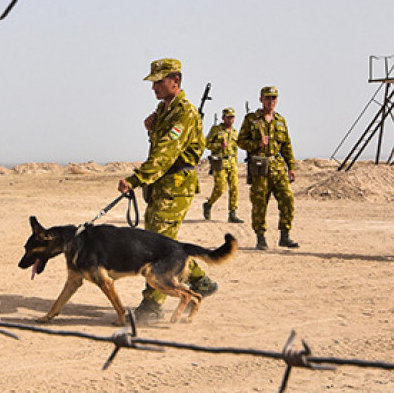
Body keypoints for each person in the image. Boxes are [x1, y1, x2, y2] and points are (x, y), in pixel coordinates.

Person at [117, 57, 216, 322]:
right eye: (153, 82)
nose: (154, 87)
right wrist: (151, 128)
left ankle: (151, 307)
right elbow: (160, 146)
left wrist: (135, 179)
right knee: (161, 244)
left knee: (157, 252)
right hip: (161, 187)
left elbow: (166, 155)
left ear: (176, 81)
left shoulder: (184, 112)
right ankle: (201, 282)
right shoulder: (165, 111)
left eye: (159, 82)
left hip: (174, 188)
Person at [237, 85, 299, 250]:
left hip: (278, 167)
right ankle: (260, 237)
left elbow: (286, 145)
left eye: (273, 98)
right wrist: (257, 144)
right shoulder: (252, 119)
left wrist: (291, 167)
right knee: (259, 204)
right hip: (259, 168)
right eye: (267, 98)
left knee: (287, 199)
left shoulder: (280, 120)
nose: (270, 101)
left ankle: (285, 235)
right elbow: (241, 141)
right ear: (261, 99)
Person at [202, 107, 245, 223]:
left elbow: (236, 149)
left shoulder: (235, 133)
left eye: (232, 117)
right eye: (228, 117)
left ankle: (232, 214)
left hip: (232, 164)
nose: (230, 120)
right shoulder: (216, 130)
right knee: (220, 188)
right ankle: (208, 204)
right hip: (220, 163)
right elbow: (207, 144)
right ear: (223, 117)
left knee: (234, 189)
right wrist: (218, 145)